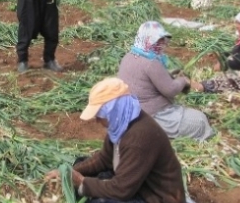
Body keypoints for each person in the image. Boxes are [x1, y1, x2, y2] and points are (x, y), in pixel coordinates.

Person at [44, 77, 189, 203]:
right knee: (81, 163)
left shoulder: (139, 138)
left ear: (113, 110)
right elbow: (104, 159)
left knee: (100, 201)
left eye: (100, 114)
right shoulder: (122, 123)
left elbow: (122, 190)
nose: (97, 120)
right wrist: (68, 172)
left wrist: (82, 183)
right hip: (136, 182)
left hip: (155, 197)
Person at [117, 21, 214, 141]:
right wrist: (183, 80)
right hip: (151, 116)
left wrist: (170, 76)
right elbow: (170, 90)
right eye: (158, 40)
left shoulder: (129, 56)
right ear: (148, 41)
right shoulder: (151, 62)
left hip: (130, 115)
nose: (162, 44)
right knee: (200, 121)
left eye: (162, 40)